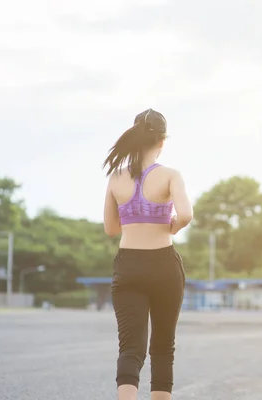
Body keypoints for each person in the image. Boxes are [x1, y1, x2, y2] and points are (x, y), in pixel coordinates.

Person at [102, 108, 193, 400]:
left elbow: (110, 228)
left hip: (128, 266)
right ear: (162, 142)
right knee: (163, 347)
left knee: (130, 348)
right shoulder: (170, 176)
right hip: (164, 265)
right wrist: (173, 226)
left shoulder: (115, 178)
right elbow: (187, 214)